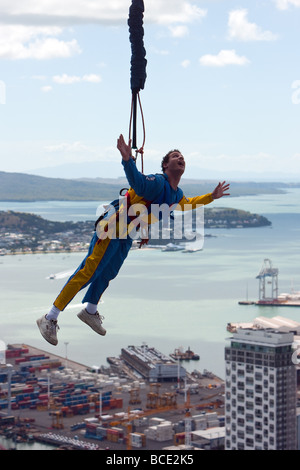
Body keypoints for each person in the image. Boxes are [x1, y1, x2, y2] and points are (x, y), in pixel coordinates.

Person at [37, 134, 230, 345]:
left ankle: (90, 311)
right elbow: (137, 182)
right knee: (89, 272)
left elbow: (187, 203)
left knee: (108, 273)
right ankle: (49, 317)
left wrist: (211, 197)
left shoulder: (176, 194)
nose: (180, 158)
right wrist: (127, 160)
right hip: (112, 229)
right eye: (175, 156)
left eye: (182, 156)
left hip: (126, 234)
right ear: (166, 165)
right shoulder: (157, 182)